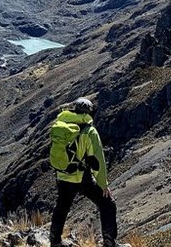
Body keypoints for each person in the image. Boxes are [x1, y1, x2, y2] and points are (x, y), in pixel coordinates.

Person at [49, 97, 118, 247]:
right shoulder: (89, 131)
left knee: (62, 206)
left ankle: (55, 241)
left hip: (62, 175)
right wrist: (103, 184)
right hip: (82, 178)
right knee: (107, 204)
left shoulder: (61, 124)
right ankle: (109, 242)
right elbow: (98, 159)